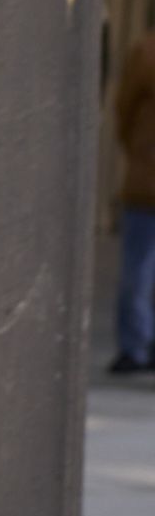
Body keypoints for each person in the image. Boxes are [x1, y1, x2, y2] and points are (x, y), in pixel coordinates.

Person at [115, 26, 155, 378]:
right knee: (138, 268)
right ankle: (135, 345)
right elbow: (124, 111)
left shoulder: (146, 49)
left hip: (145, 174)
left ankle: (136, 345)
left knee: (138, 268)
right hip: (147, 182)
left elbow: (124, 113)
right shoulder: (147, 51)